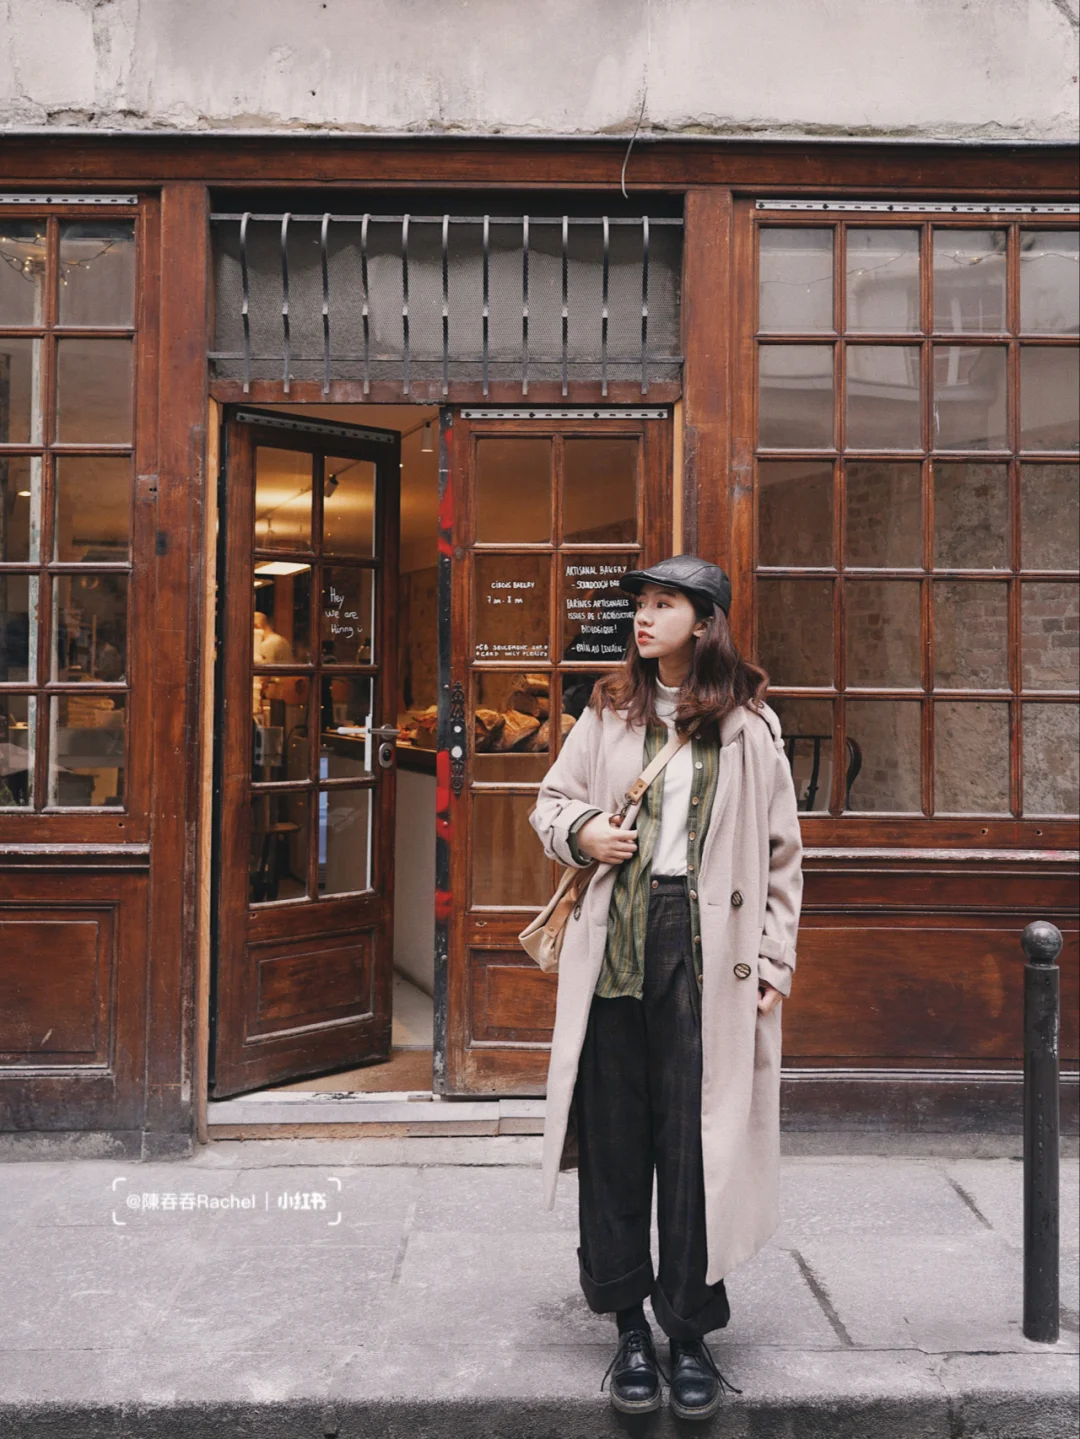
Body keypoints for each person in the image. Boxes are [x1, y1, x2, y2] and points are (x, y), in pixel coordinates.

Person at [529, 555, 803, 1420]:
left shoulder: (750, 726)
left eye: (662, 604)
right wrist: (583, 833)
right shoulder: (606, 709)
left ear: (704, 619)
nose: (643, 619)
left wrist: (773, 960)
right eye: (640, 605)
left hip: (707, 951)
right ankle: (627, 1329)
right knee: (615, 1139)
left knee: (695, 1142)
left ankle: (688, 1328)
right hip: (619, 943)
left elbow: (783, 856)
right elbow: (550, 801)